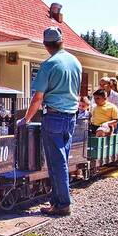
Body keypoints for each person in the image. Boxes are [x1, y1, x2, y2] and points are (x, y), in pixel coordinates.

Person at [17, 27, 81, 216]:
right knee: (61, 160)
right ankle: (56, 201)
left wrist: (25, 119)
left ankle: (63, 204)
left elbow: (37, 98)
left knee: (56, 162)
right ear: (62, 41)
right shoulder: (75, 62)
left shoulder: (49, 65)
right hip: (71, 116)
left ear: (46, 45)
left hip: (53, 117)